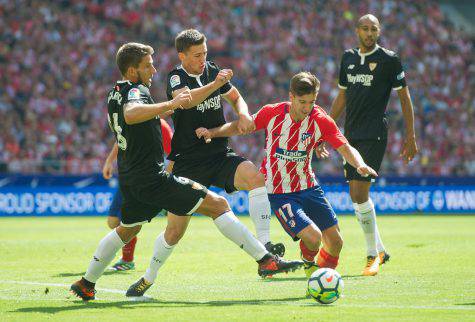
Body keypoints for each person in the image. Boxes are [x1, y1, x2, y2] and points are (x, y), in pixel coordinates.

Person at [70, 42, 302, 301]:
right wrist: (168, 103)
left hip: (132, 178)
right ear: (133, 70)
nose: (153, 70)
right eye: (147, 65)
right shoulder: (137, 91)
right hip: (153, 178)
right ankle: (266, 260)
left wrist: (164, 109)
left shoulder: (115, 92)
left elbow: (132, 119)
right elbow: (132, 113)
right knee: (219, 205)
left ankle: (86, 282)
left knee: (127, 230)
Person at [196, 72, 378, 279]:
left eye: (312, 102)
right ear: (291, 96)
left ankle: (322, 277)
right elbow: (242, 127)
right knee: (313, 237)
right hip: (279, 192)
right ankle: (312, 268)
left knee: (336, 242)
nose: (307, 108)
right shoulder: (273, 113)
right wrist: (213, 132)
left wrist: (360, 164)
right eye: (302, 102)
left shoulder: (321, 121)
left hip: (308, 186)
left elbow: (345, 148)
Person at [163, 28, 286, 256]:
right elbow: (187, 101)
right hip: (188, 162)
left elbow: (236, 97)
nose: (203, 59)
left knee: (256, 178)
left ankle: (265, 245)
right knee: (174, 232)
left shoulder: (212, 70)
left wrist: (243, 114)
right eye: (197, 55)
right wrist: (215, 85)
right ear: (182, 56)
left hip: (219, 154)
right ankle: (148, 275)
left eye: (205, 53)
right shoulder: (175, 77)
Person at [328, 14, 418, 276]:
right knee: (355, 196)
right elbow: (342, 96)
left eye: (373, 29)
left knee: (359, 194)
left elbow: (405, 98)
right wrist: (326, 127)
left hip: (374, 134)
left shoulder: (390, 60)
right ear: (357, 31)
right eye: (365, 29)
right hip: (350, 136)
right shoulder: (348, 58)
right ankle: (380, 248)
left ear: (379, 32)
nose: (369, 33)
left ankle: (372, 254)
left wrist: (410, 136)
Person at [101, 119, 174, 271]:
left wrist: (164, 177)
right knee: (113, 221)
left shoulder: (161, 126)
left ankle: (127, 260)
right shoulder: (131, 120)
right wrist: (109, 162)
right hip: (128, 176)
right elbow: (119, 141)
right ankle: (127, 259)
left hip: (147, 179)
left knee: (130, 220)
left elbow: (174, 154)